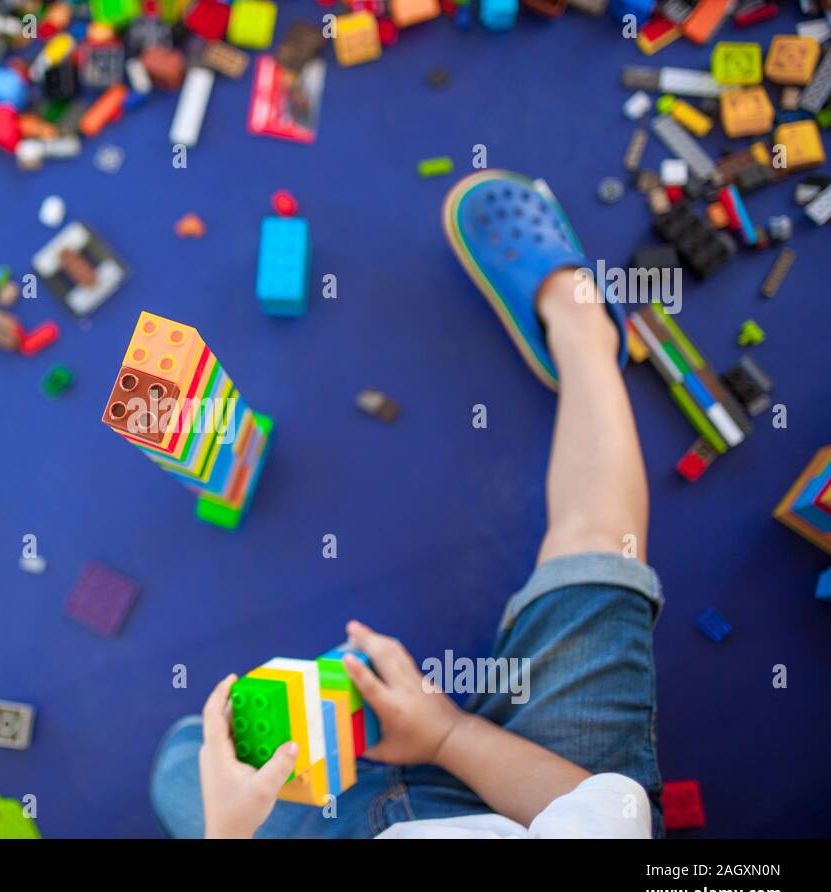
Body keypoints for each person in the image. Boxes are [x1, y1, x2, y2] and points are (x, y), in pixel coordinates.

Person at [148, 170, 664, 838]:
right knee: (599, 547)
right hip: (556, 796)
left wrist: (228, 830)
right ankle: (584, 331)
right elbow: (617, 820)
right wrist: (448, 735)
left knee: (176, 768)